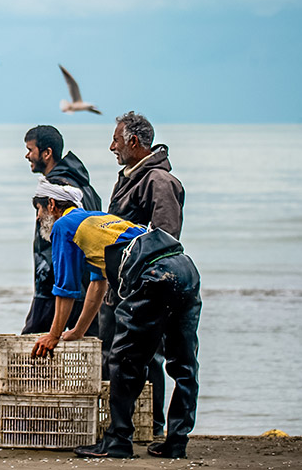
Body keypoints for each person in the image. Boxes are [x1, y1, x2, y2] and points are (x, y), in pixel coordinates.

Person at [29, 178, 201, 460]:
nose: (38, 219)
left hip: (153, 277)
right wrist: (77, 330)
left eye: (38, 210)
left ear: (51, 205)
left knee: (124, 360)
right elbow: (98, 284)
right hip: (183, 268)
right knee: (183, 362)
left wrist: (54, 335)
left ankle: (118, 441)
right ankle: (176, 442)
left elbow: (65, 289)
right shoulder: (99, 220)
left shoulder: (63, 226)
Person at [102, 111, 186, 437]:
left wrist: (138, 285)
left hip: (142, 290)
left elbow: (165, 239)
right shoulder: (131, 177)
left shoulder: (158, 182)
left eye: (116, 139)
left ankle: (152, 427)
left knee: (147, 359)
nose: (112, 146)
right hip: (121, 289)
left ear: (133, 142)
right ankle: (129, 427)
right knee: (120, 358)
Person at [21, 125, 102, 335]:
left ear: (47, 153)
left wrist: (46, 288)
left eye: (31, 150)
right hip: (87, 286)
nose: (27, 155)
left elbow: (55, 243)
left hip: (56, 286)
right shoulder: (84, 186)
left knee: (32, 349)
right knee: (89, 351)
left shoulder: (56, 190)